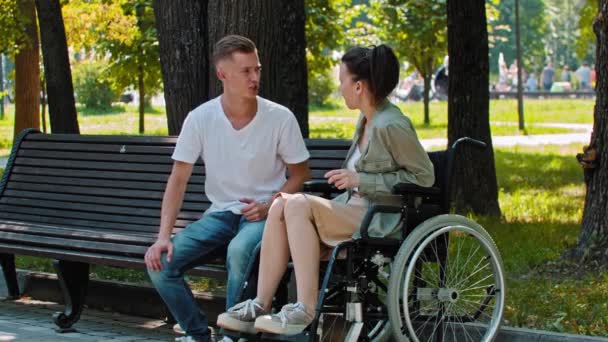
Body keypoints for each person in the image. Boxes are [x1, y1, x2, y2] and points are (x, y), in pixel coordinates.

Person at [216, 44, 435, 336]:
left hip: (379, 217)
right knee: (282, 203)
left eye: (342, 80)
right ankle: (260, 303)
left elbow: (424, 177)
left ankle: (305, 308)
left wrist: (360, 181)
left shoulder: (391, 124)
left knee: (295, 203)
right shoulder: (367, 120)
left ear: (358, 86)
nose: (339, 86)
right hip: (354, 209)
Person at [144, 35, 311, 342]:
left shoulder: (279, 118)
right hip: (220, 215)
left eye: (257, 69)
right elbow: (178, 179)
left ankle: (232, 337)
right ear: (223, 75)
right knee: (160, 265)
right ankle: (198, 334)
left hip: (264, 217)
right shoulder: (200, 119)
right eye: (246, 71)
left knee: (238, 251)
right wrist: (163, 237)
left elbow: (300, 173)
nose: (255, 78)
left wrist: (270, 204)